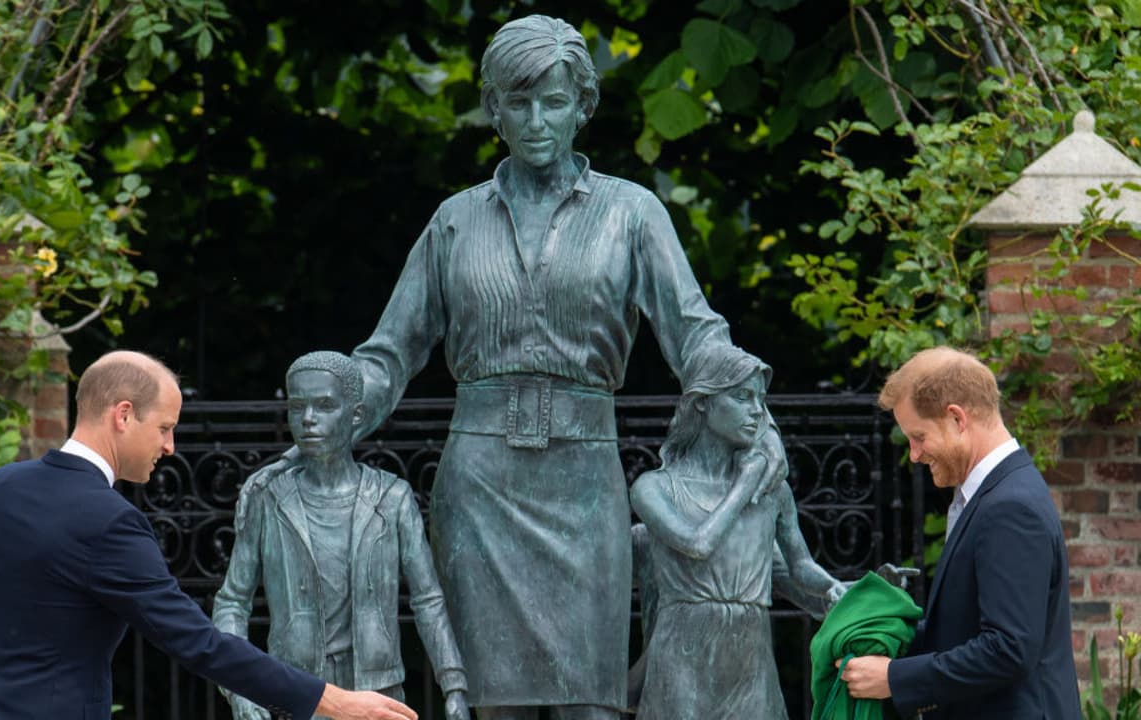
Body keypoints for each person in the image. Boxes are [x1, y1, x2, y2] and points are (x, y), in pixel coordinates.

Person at [332, 14, 787, 720]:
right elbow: (389, 353)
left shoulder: (633, 214)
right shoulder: (455, 221)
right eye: (519, 103)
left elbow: (694, 333)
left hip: (585, 476)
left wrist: (749, 410)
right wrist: (338, 406)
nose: (538, 121)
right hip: (480, 485)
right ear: (493, 109)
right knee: (493, 703)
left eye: (554, 102)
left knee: (592, 703)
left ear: (584, 106)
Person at [0, 350, 416, 720]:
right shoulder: (110, 522)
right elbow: (198, 642)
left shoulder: (2, 486)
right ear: (123, 415)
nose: (170, 446)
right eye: (165, 427)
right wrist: (330, 701)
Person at [212, 352, 470, 720]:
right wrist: (239, 688)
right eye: (297, 407)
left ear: (357, 415)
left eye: (325, 406)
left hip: (377, 694)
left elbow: (427, 600)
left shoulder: (391, 498)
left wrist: (454, 685)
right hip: (294, 693)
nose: (309, 420)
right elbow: (232, 603)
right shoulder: (269, 500)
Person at [840, 346, 1080, 719]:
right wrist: (889, 638)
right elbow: (965, 632)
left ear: (956, 418)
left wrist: (894, 678)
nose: (915, 455)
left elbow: (1008, 649)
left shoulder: (1009, 507)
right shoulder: (990, 495)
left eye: (918, 436)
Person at [629, 342, 845, 720]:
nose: (757, 412)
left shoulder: (773, 492)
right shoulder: (655, 487)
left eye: (760, 400)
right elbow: (698, 544)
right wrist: (745, 484)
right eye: (742, 398)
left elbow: (800, 568)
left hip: (750, 661)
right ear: (702, 403)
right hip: (683, 659)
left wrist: (843, 589)